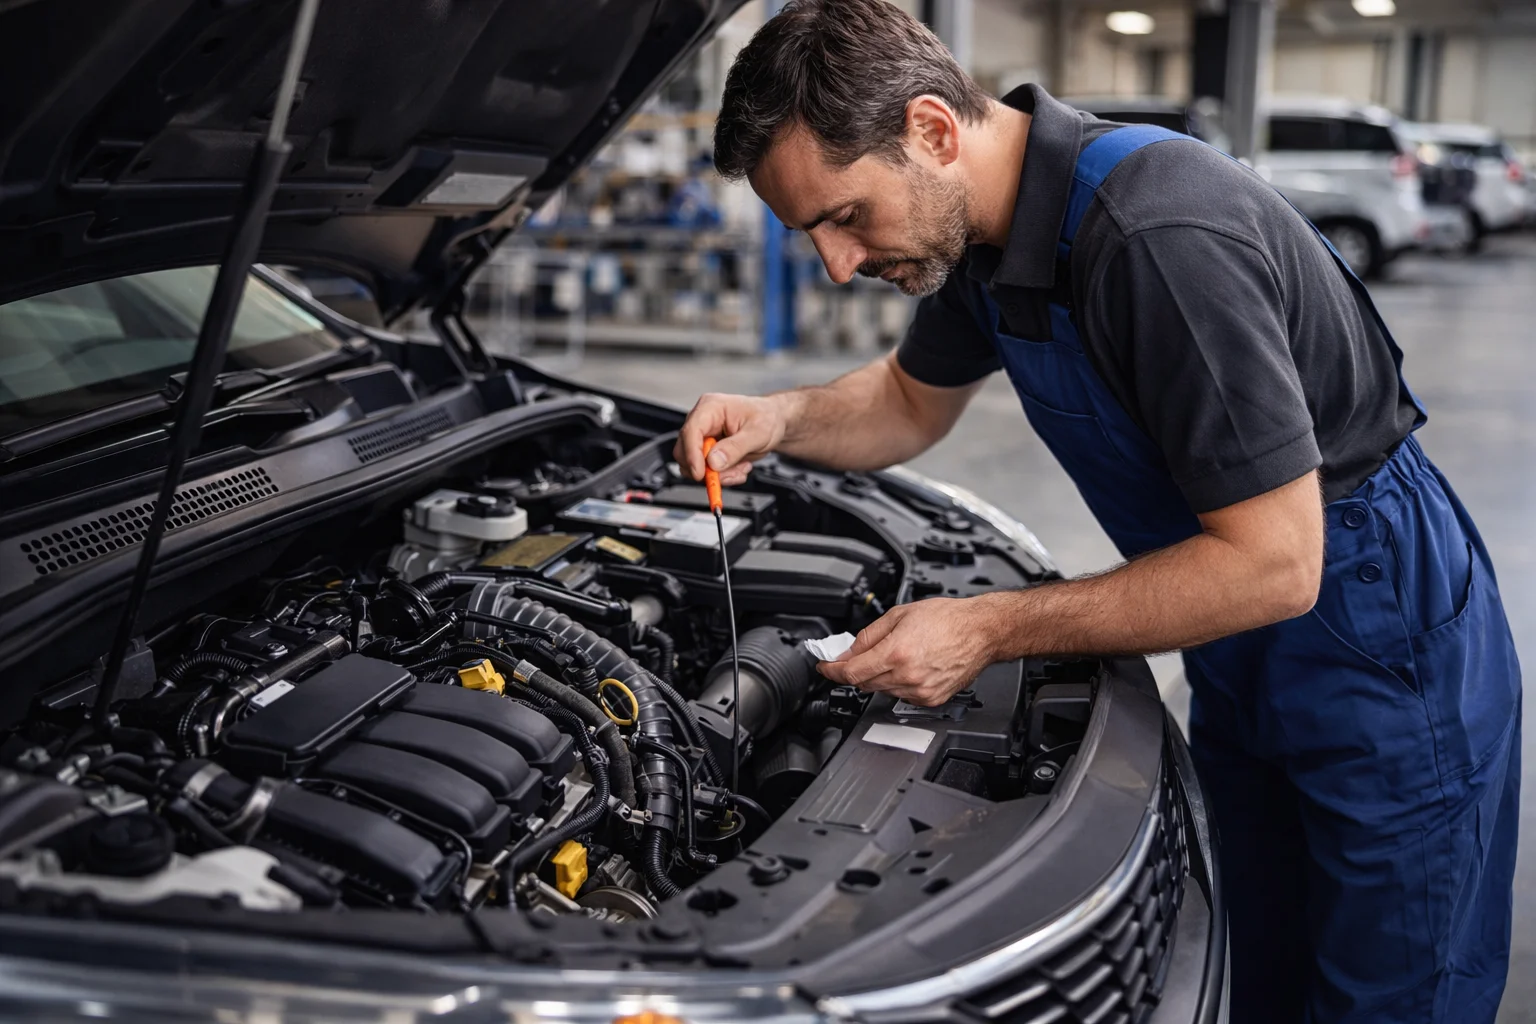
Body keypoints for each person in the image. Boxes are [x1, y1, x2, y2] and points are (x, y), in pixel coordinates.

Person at [673, 1, 1522, 1020]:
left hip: (1376, 642)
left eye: (845, 216)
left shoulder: (1154, 234)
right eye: (810, 233)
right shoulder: (981, 238)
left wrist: (987, 627)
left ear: (934, 131)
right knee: (1261, 964)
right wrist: (780, 416)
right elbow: (905, 405)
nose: (837, 265)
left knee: (1391, 992)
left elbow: (1276, 563)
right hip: (1236, 641)